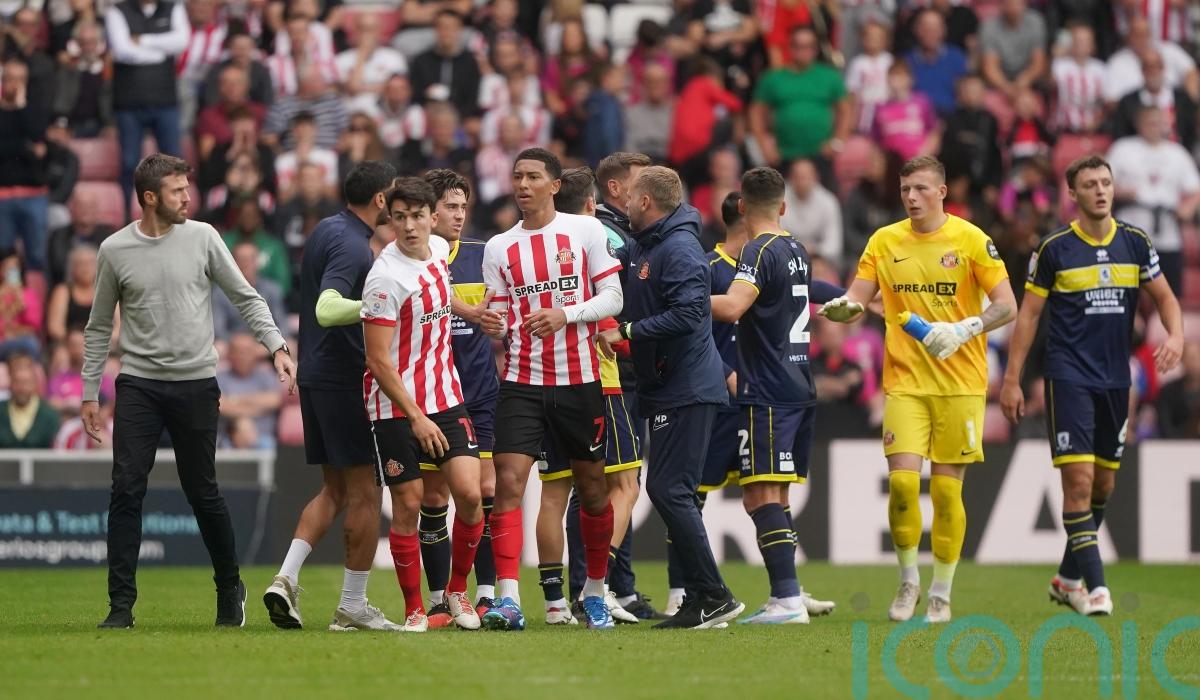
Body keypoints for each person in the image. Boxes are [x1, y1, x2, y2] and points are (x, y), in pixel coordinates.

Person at [83, 153, 295, 630]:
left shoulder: (204, 237)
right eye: (178, 191)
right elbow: (97, 327)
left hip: (196, 383)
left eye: (187, 189)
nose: (187, 198)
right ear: (150, 197)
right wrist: (89, 391)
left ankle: (229, 586)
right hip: (138, 384)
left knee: (202, 491)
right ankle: (121, 606)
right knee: (126, 488)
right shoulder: (114, 249)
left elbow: (245, 296)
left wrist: (277, 346)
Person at [819, 156, 1016, 624]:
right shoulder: (884, 241)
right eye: (906, 188)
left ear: (942, 192)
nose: (911, 197)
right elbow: (858, 297)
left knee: (946, 494)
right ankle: (909, 581)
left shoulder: (971, 240)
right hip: (905, 382)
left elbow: (1007, 305)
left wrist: (966, 329)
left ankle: (941, 592)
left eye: (921, 188)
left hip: (960, 384)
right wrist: (845, 309)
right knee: (904, 484)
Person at [1000, 155, 1184, 616]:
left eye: (1105, 182)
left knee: (1103, 485)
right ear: (1073, 194)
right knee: (1079, 484)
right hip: (1068, 377)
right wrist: (1013, 379)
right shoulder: (1055, 248)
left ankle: (1066, 579)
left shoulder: (1135, 242)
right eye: (1090, 184)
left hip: (1116, 379)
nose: (1100, 191)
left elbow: (1165, 297)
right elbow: (1029, 316)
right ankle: (1097, 589)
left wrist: (1177, 336)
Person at [477, 148, 624, 631]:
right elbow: (500, 315)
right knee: (508, 483)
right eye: (517, 176)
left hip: (580, 381)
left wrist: (566, 314)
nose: (523, 185)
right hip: (522, 382)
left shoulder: (585, 231)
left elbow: (613, 297)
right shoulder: (499, 246)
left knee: (593, 490)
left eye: (533, 177)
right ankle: (508, 599)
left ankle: (596, 593)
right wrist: (494, 324)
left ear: (555, 185)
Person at [595, 165, 744, 629]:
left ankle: (714, 594)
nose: (624, 205)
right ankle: (703, 596)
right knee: (668, 490)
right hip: (668, 384)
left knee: (669, 489)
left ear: (645, 202)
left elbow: (691, 313)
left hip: (689, 387)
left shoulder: (678, 248)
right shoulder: (648, 244)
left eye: (630, 198)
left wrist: (627, 331)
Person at [262, 160, 398, 632]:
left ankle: (284, 579)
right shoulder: (354, 246)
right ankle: (352, 605)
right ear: (379, 199)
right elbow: (327, 307)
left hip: (316, 376)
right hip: (342, 380)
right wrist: (379, 305)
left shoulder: (326, 228)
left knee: (335, 490)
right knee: (366, 493)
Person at [709, 167, 840, 624]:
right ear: (783, 206)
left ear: (742, 206)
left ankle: (786, 599)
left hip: (766, 388)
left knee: (759, 494)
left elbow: (733, 307)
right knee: (776, 495)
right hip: (799, 383)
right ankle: (788, 593)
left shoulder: (756, 249)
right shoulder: (796, 248)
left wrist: (678, 299)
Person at [362, 177, 485, 633]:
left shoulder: (436, 248)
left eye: (417, 216)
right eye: (400, 218)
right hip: (396, 407)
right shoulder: (383, 279)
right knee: (409, 505)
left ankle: (457, 591)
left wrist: (470, 313)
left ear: (432, 218)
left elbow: (441, 294)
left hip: (446, 396)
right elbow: (377, 359)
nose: (410, 226)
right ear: (390, 220)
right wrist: (416, 417)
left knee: (470, 495)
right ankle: (415, 608)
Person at [537, 167, 643, 626]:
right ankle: (596, 588)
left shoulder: (535, 246)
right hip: (599, 380)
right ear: (590, 206)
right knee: (624, 485)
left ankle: (554, 601)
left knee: (557, 492)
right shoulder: (595, 239)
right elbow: (607, 313)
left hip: (543, 379)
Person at [416, 168, 501, 624]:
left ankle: (483, 594)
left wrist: (500, 324)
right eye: (450, 206)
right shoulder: (412, 261)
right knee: (433, 497)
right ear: (429, 213)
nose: (459, 215)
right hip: (432, 396)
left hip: (479, 392)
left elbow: (503, 314)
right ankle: (437, 599)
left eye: (463, 207)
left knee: (484, 491)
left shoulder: (483, 255)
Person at [1106, 106, 1200, 296]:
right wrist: (1119, 191)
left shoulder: (1177, 153)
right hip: (1131, 223)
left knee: (1170, 293)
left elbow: (1195, 189)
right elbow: (1103, 182)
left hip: (1167, 230)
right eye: (1150, 123)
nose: (1155, 127)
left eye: (1160, 123)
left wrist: (1187, 208)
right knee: (1125, 291)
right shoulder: (1123, 148)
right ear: (1139, 124)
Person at [105, 0, 189, 213]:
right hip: (129, 103)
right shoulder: (117, 11)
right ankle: (128, 214)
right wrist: (161, 53)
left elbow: (181, 41)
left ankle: (176, 213)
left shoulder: (174, 7)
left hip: (165, 101)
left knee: (173, 164)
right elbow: (122, 51)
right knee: (129, 163)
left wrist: (143, 40)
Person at [750, 26, 849, 173]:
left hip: (821, 154)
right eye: (798, 46)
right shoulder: (773, 78)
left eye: (809, 46)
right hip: (783, 155)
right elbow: (756, 112)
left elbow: (846, 111)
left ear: (816, 49)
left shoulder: (830, 76)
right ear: (790, 48)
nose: (804, 51)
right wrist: (763, 146)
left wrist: (837, 141)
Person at [217, 332, 283, 449]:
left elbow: (275, 400)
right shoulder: (220, 378)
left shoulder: (266, 375)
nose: (242, 356)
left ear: (255, 353)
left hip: (265, 440)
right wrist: (243, 419)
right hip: (227, 441)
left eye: (247, 351)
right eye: (237, 352)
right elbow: (220, 406)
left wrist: (234, 400)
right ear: (229, 355)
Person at [0, 359, 60, 448]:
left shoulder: (49, 415)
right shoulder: (1, 411)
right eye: (17, 382)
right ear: (10, 383)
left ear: (34, 384)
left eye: (26, 383)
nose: (21, 388)